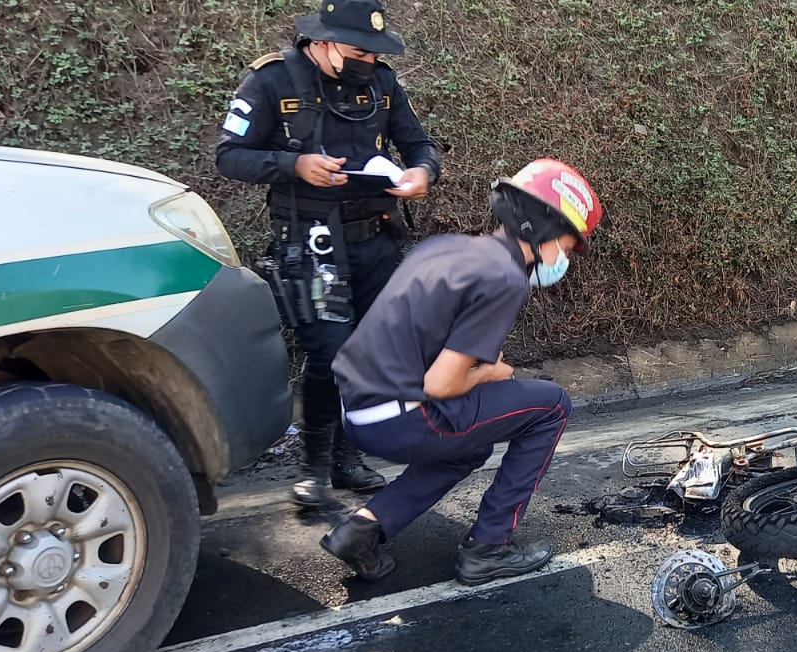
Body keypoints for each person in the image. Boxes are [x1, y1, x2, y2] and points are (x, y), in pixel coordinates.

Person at [318, 158, 604, 585]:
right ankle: (488, 549)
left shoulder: (447, 247)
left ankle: (362, 530)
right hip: (399, 418)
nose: (564, 256)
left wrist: (478, 367)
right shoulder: (504, 276)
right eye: (566, 244)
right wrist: (491, 373)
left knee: (469, 446)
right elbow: (441, 383)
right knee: (553, 406)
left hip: (355, 410)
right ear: (543, 229)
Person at [216, 0, 444, 508]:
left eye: (375, 51)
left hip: (377, 238)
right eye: (359, 49)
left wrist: (422, 174)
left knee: (368, 353)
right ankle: (314, 467)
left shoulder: (382, 83)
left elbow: (421, 145)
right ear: (322, 41)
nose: (370, 60)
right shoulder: (273, 80)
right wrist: (295, 165)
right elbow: (228, 155)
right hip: (312, 243)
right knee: (329, 354)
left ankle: (349, 458)